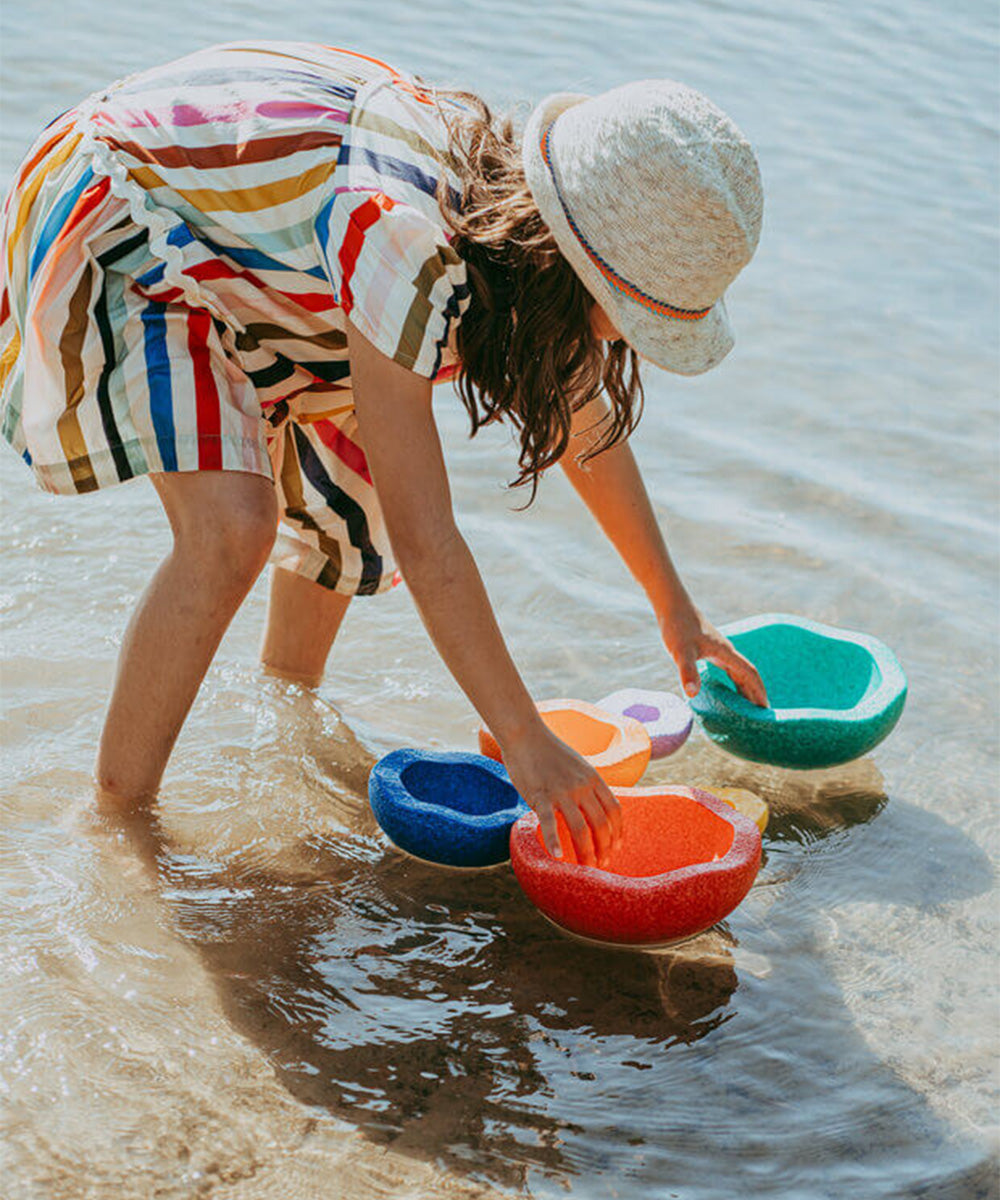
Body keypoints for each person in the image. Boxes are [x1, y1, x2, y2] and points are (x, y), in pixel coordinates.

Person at [0, 41, 768, 867]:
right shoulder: (407, 239)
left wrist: (675, 610)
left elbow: (586, 428)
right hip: (131, 212)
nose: (629, 343)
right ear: (576, 269)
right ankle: (116, 819)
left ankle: (282, 713)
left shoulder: (510, 238)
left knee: (349, 484)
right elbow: (427, 536)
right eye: (631, 317)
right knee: (231, 529)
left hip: (263, 254)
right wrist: (524, 739)